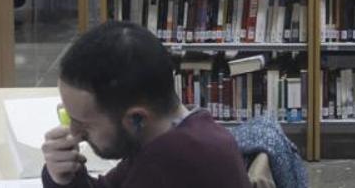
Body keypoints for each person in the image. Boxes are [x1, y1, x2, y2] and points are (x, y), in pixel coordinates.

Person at [41, 22, 251, 188]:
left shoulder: (170, 162)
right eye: (69, 118)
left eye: (84, 124)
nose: (75, 134)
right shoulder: (171, 135)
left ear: (137, 118)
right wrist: (64, 177)